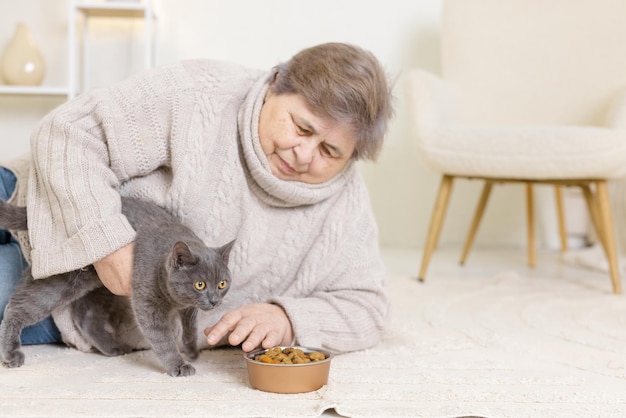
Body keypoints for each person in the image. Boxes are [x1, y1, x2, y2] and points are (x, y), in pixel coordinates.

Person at [0, 42, 394, 355]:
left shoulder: (346, 204)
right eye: (301, 128)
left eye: (330, 152)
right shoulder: (199, 92)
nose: (304, 155)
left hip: (65, 299)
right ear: (275, 84)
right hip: (29, 198)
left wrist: (289, 318)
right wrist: (107, 244)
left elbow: (369, 308)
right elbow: (68, 132)